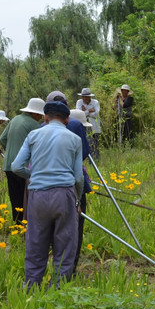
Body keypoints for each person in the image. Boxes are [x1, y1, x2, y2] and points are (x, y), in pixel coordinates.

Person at [11, 96, 83, 290]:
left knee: (35, 243)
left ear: (46, 118)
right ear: (67, 120)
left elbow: (16, 166)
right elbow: (78, 178)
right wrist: (77, 200)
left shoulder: (33, 136)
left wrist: (33, 175)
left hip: (37, 196)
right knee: (66, 245)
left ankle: (32, 287)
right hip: (64, 195)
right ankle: (58, 290)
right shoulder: (74, 139)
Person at [0, 98, 45, 223]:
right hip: (23, 168)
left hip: (9, 165)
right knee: (25, 200)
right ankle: (24, 226)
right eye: (40, 115)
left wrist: (10, 152)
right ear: (35, 113)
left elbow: (2, 139)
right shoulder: (34, 125)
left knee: (15, 199)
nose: (41, 118)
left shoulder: (15, 119)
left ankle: (16, 224)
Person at [68, 109, 93, 272]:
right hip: (71, 188)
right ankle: (70, 267)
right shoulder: (75, 132)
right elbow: (84, 153)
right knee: (76, 226)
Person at [76, 87, 101, 160]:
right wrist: (89, 110)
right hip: (84, 125)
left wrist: (85, 111)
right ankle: (90, 159)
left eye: (86, 97)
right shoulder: (79, 102)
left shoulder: (95, 102)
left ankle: (96, 158)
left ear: (89, 96)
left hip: (95, 125)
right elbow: (79, 114)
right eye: (83, 96)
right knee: (88, 142)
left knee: (96, 142)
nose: (84, 98)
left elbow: (96, 114)